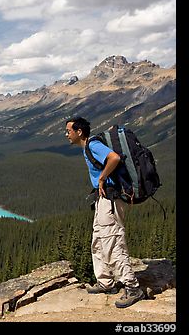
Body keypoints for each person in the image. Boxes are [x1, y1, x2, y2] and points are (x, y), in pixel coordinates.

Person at [65, 116, 144, 308]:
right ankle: (106, 282)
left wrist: (102, 178)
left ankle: (133, 288)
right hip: (103, 200)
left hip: (111, 199)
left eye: (68, 131)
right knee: (99, 239)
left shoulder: (92, 145)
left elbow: (114, 158)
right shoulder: (88, 147)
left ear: (79, 132)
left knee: (112, 240)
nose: (66, 134)